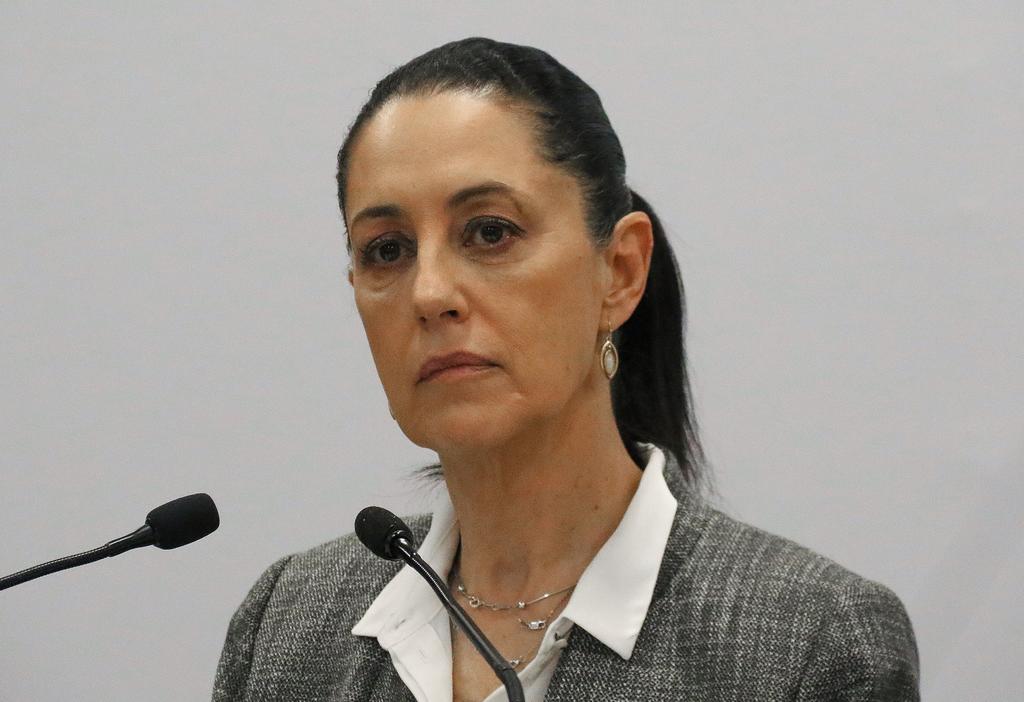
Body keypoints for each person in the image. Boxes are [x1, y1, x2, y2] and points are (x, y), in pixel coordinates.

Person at [212, 37, 920, 701]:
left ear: (620, 272)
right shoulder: (287, 626)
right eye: (387, 250)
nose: (428, 294)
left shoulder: (811, 644)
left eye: (490, 232)